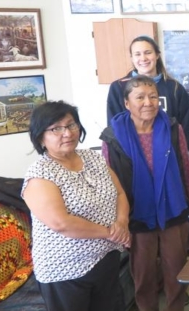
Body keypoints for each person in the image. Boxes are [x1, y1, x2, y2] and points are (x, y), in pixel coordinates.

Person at [100, 76, 189, 311]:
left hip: (173, 212)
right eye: (140, 97)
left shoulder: (173, 128)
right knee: (144, 279)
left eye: (153, 96)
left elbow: (187, 173)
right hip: (137, 217)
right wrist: (116, 223)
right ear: (126, 103)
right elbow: (108, 185)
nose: (148, 102)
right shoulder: (112, 136)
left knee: (176, 274)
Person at [21, 101, 130, 311]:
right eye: (56, 129)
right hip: (65, 272)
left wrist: (122, 222)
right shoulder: (40, 174)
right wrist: (110, 232)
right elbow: (62, 223)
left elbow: (119, 193)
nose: (67, 133)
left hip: (106, 258)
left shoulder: (92, 157)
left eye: (71, 125)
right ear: (40, 137)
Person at [106, 35, 189, 149]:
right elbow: (114, 128)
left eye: (148, 52)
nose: (143, 58)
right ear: (132, 58)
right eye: (137, 54)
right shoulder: (118, 87)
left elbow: (184, 130)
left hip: (168, 156)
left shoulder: (175, 88)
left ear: (157, 55)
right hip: (131, 157)